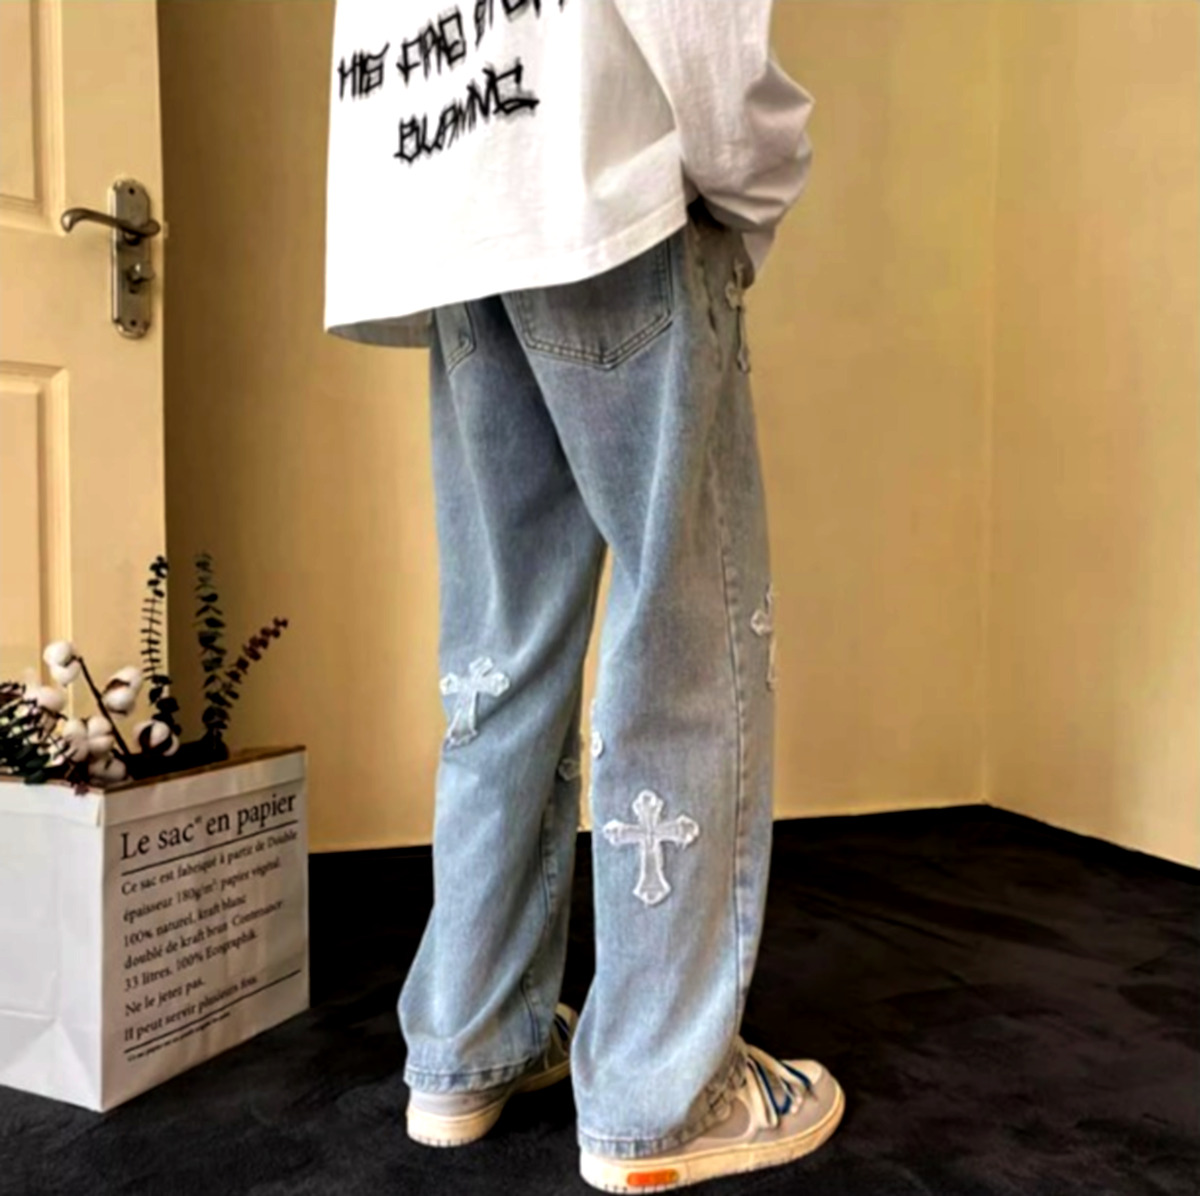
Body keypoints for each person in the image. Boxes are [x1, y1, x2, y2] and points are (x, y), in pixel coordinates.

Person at [324, 1, 842, 1189]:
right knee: (688, 630)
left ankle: (468, 1042)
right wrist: (756, 176)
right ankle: (663, 1097)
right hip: (607, 189)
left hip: (456, 213)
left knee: (497, 654)